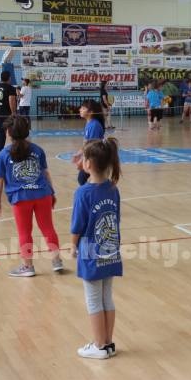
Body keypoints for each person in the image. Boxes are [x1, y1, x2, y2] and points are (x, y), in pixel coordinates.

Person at [0, 115, 62, 277]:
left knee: (24, 232)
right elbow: (45, 173)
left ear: (9, 133)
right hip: (43, 194)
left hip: (21, 198)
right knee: (48, 228)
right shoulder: (38, 150)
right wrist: (52, 192)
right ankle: (57, 261)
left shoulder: (3, 154)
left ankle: (27, 266)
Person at [71, 138, 123, 360]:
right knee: (106, 297)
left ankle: (99, 346)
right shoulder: (113, 188)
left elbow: (78, 225)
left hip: (90, 250)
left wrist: (72, 245)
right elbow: (116, 218)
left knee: (93, 300)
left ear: (89, 163)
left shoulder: (83, 193)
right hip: (110, 250)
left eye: (83, 157)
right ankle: (108, 343)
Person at [74, 100, 105, 185]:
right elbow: (86, 143)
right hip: (90, 157)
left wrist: (82, 160)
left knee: (82, 179)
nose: (80, 109)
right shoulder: (89, 124)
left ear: (91, 112)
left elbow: (91, 147)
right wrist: (79, 154)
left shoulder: (94, 126)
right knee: (83, 179)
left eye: (83, 108)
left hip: (95, 158)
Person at [0, 71, 18, 154]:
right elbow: (11, 100)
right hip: (8, 114)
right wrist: (13, 112)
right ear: (9, 78)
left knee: (1, 131)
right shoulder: (10, 88)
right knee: (13, 132)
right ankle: (16, 150)